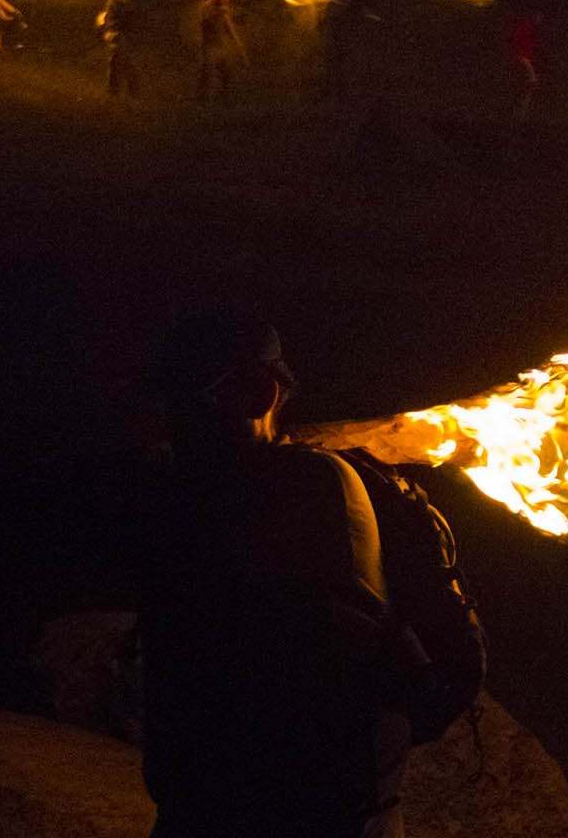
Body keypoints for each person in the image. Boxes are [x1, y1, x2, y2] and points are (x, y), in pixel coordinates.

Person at [137, 310, 409, 837]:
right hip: (216, 814)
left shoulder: (303, 489)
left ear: (259, 394)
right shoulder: (202, 490)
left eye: (191, 398)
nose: (170, 419)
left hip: (312, 821)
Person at [197, 0, 244, 102]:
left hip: (220, 47)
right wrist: (216, 6)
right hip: (209, 47)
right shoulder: (208, 7)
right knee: (207, 74)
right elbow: (205, 18)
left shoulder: (223, 10)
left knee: (225, 73)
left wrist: (238, 44)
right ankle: (203, 99)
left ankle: (223, 98)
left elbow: (229, 29)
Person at [99, 0, 137, 99]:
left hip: (122, 38)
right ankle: (115, 92)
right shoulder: (114, 5)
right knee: (117, 65)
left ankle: (130, 92)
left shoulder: (123, 5)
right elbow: (110, 21)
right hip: (116, 37)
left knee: (125, 65)